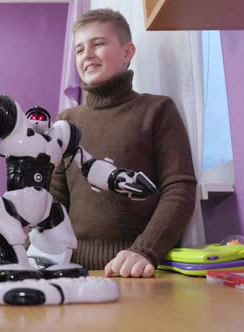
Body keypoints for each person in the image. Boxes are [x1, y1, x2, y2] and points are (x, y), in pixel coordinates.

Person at [50, 9, 197, 278]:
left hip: (138, 269)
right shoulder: (66, 121)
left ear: (127, 53)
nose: (87, 55)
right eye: (80, 49)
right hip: (71, 268)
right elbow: (53, 201)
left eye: (98, 44)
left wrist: (144, 250)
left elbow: (179, 188)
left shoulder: (158, 109)